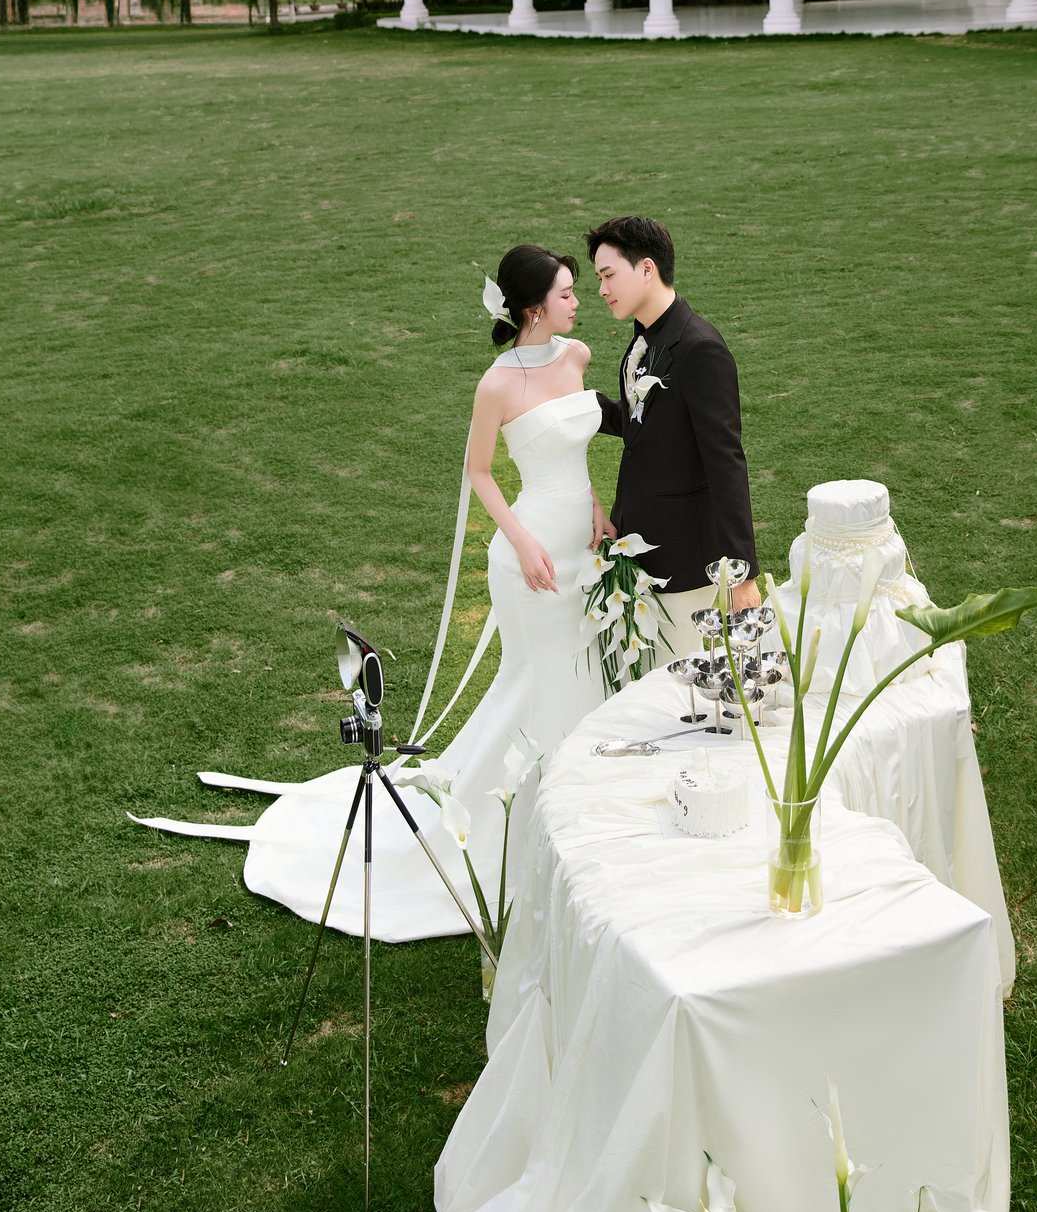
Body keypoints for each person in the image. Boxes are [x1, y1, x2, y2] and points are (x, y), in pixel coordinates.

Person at [135, 245, 612, 945]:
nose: (578, 301)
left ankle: (575, 814)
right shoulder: (496, 385)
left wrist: (596, 505)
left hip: (581, 544)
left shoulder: (577, 357)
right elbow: (480, 473)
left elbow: (573, 452)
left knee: (579, 676)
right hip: (529, 550)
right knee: (534, 682)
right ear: (534, 308)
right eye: (567, 293)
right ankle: (501, 827)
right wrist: (520, 541)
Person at [587, 215, 759, 662]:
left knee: (680, 683)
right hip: (637, 549)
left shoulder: (700, 348)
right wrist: (579, 407)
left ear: (647, 268)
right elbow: (646, 424)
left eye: (608, 275)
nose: (602, 289)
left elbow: (725, 461)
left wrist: (743, 573)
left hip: (684, 561)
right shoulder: (644, 340)